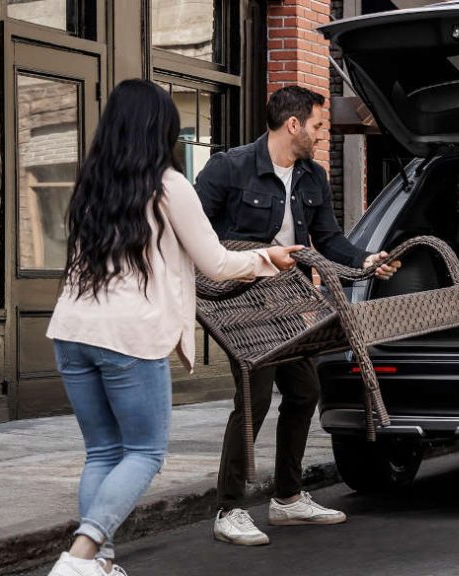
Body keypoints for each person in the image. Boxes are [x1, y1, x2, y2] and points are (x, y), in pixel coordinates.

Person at [44, 79, 302, 576]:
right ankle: (78, 557)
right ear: (160, 129)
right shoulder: (169, 186)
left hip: (72, 331)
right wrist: (268, 257)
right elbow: (217, 263)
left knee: (102, 452)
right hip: (129, 336)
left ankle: (100, 562)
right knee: (144, 453)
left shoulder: (91, 184)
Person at [196, 85, 400, 546]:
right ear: (293, 125)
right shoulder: (228, 169)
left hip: (293, 304)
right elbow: (193, 236)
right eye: (318, 126)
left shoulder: (312, 176)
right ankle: (229, 508)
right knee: (255, 400)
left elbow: (328, 241)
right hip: (241, 304)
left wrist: (367, 261)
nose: (322, 134)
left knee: (305, 391)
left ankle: (287, 498)